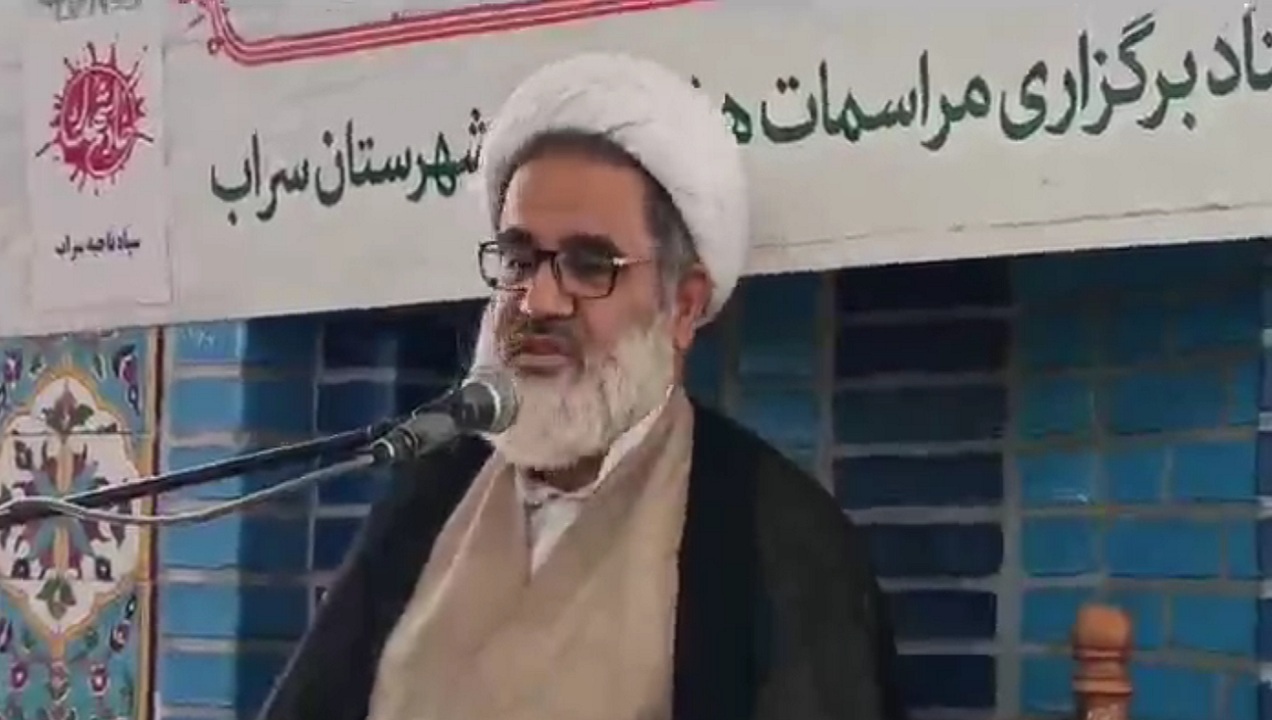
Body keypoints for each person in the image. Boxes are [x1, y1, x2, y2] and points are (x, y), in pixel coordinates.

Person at [257, 52, 907, 720]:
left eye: (590, 265)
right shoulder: (432, 490)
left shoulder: (776, 533)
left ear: (683, 306)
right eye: (519, 259)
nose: (539, 300)